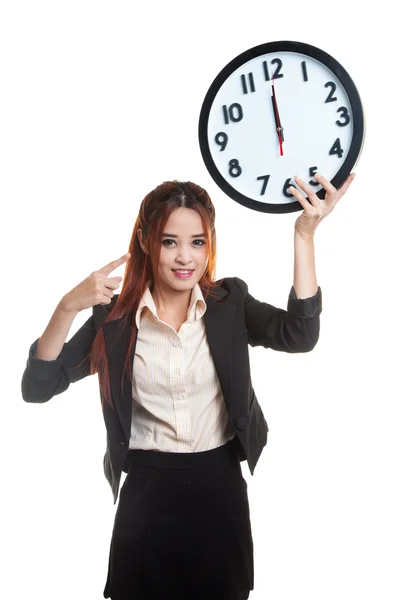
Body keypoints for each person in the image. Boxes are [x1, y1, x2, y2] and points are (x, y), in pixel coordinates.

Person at [21, 172, 355, 600]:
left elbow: (300, 335)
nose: (185, 257)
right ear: (145, 241)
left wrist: (304, 234)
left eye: (198, 241)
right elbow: (38, 386)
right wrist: (67, 306)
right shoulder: (115, 321)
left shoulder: (228, 303)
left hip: (219, 490)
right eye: (169, 241)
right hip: (147, 494)